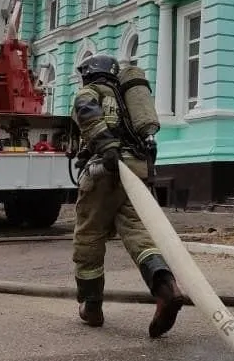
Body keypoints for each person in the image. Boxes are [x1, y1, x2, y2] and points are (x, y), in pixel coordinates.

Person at [70, 55, 182, 338]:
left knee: (89, 236)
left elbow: (86, 112)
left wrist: (105, 146)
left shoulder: (90, 91)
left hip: (107, 170)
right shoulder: (126, 99)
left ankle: (91, 305)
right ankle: (166, 288)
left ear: (89, 74)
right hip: (137, 169)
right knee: (138, 233)